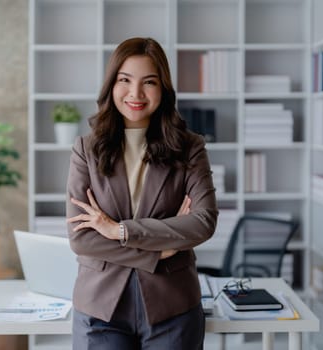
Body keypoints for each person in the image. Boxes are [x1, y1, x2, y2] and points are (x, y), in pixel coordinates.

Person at [66, 37, 218, 349]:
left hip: (172, 305)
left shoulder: (190, 147)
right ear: (112, 85)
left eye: (149, 82)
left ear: (163, 89)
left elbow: (203, 222)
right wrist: (158, 249)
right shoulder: (86, 149)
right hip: (100, 308)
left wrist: (119, 230)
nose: (135, 93)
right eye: (125, 80)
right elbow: (81, 238)